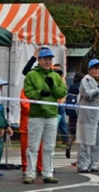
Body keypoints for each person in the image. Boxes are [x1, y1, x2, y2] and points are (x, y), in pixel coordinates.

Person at [22, 48, 67, 184]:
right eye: (45, 59)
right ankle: (30, 173)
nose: (48, 61)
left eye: (50, 59)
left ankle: (48, 172)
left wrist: (52, 87)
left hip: (52, 114)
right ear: (39, 60)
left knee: (49, 146)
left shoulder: (55, 76)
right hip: (36, 115)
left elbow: (62, 92)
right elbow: (28, 92)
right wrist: (40, 93)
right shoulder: (31, 75)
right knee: (33, 146)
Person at [76, 59, 99, 173]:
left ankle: (94, 164)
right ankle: (83, 165)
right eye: (95, 68)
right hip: (88, 116)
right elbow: (87, 95)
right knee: (86, 142)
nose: (97, 71)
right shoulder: (85, 80)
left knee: (98, 142)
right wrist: (98, 87)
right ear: (90, 70)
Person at [0, 76, 13, 178]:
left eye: (1, 86)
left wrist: (7, 126)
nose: (1, 89)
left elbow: (1, 114)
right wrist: (0, 127)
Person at [65, 72, 83, 159]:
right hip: (79, 112)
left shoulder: (71, 86)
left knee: (71, 131)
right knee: (80, 132)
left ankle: (68, 144)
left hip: (71, 111)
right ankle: (80, 153)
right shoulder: (82, 86)